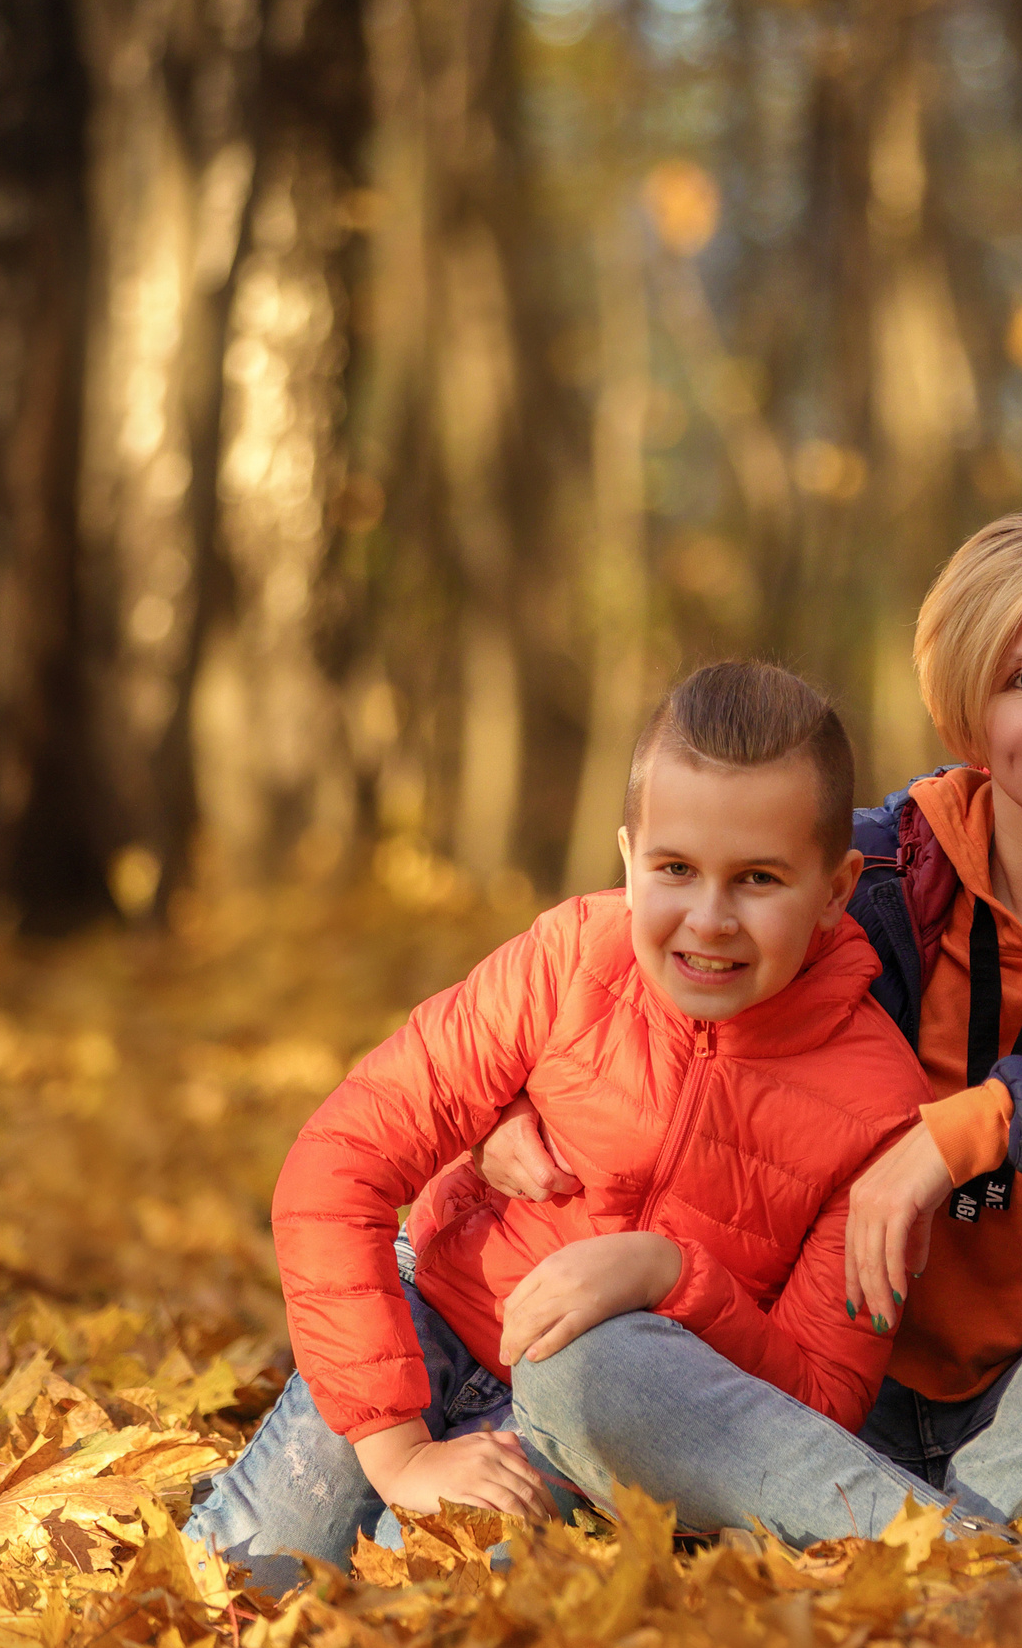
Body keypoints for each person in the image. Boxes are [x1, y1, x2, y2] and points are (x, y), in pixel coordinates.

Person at [475, 510, 1022, 1543]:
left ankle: (931, 1537)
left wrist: (964, 1130)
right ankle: (968, 1555)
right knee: (576, 1365)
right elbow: (631, 960)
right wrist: (503, 1104)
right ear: (966, 707)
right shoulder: (858, 874)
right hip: (792, 1397)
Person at [185, 663, 932, 1593]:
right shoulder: (566, 961)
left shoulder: (882, 1107)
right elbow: (336, 1165)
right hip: (423, 1323)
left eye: (758, 879)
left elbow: (815, 1410)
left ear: (836, 887)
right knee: (227, 1586)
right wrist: (399, 1456)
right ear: (627, 856)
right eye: (675, 869)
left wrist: (674, 1276)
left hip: (577, 1423)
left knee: (423, 1613)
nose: (709, 917)